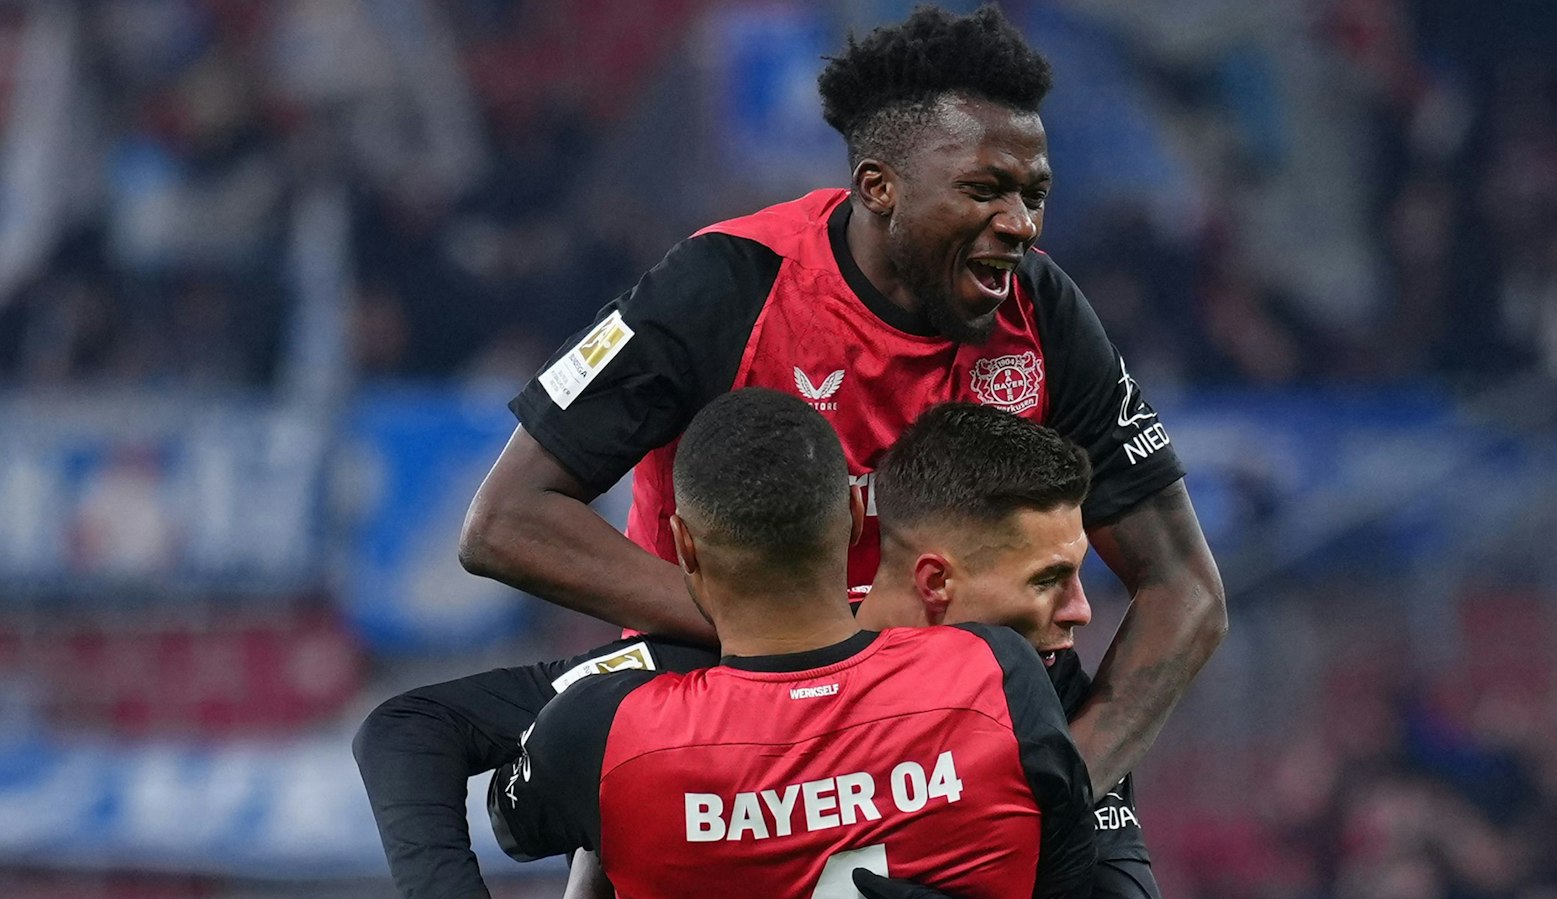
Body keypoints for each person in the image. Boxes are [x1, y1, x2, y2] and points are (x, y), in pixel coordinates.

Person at [354, 403, 1234, 899]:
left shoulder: (635, 706)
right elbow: (410, 729)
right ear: (871, 536)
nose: (1080, 612)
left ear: (686, 548)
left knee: (603, 825)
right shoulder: (1009, 681)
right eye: (1049, 581)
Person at [457, 3, 1224, 804]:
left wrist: (1065, 790)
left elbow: (1186, 589)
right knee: (611, 836)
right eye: (984, 190)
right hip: (732, 726)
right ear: (878, 187)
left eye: (1035, 194)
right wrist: (776, 632)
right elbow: (505, 522)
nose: (1020, 224)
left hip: (952, 751)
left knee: (1100, 864)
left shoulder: (1041, 311)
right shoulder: (723, 287)